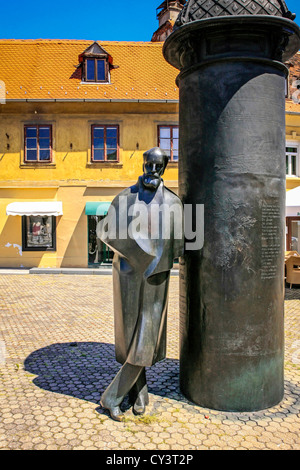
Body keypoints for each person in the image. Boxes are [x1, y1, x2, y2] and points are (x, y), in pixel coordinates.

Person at [97, 147, 184, 421]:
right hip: (127, 276)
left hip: (157, 277)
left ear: (164, 169)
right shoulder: (123, 198)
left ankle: (112, 396)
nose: (153, 172)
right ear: (143, 164)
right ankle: (140, 393)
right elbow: (107, 232)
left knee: (146, 339)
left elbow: (179, 245)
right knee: (131, 335)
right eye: (149, 165)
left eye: (158, 167)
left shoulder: (173, 203)